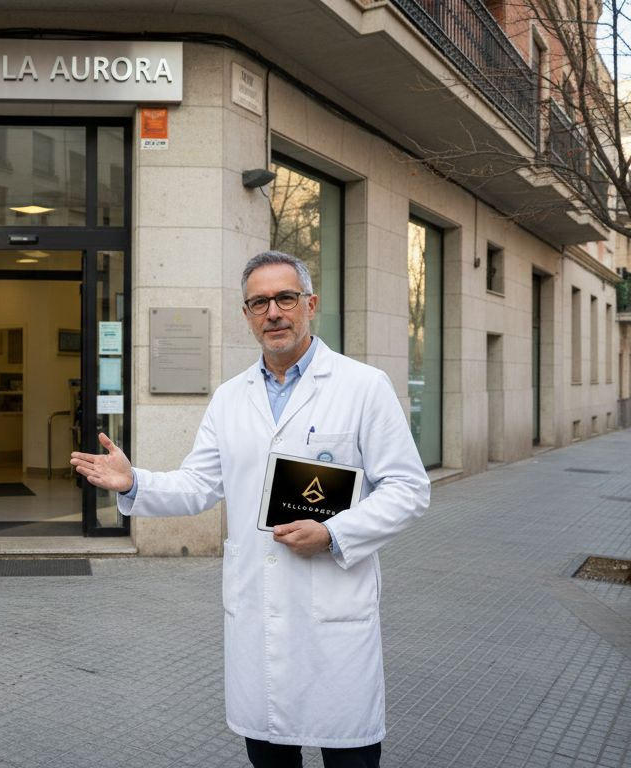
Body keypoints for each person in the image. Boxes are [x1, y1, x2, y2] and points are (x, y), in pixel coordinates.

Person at [70, 250, 430, 768]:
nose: (273, 312)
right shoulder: (229, 398)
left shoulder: (363, 387)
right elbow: (198, 485)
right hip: (257, 612)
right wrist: (135, 481)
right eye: (259, 302)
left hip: (333, 604)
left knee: (348, 751)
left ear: (310, 303)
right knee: (269, 752)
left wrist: (334, 534)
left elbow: (407, 488)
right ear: (246, 315)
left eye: (285, 298)